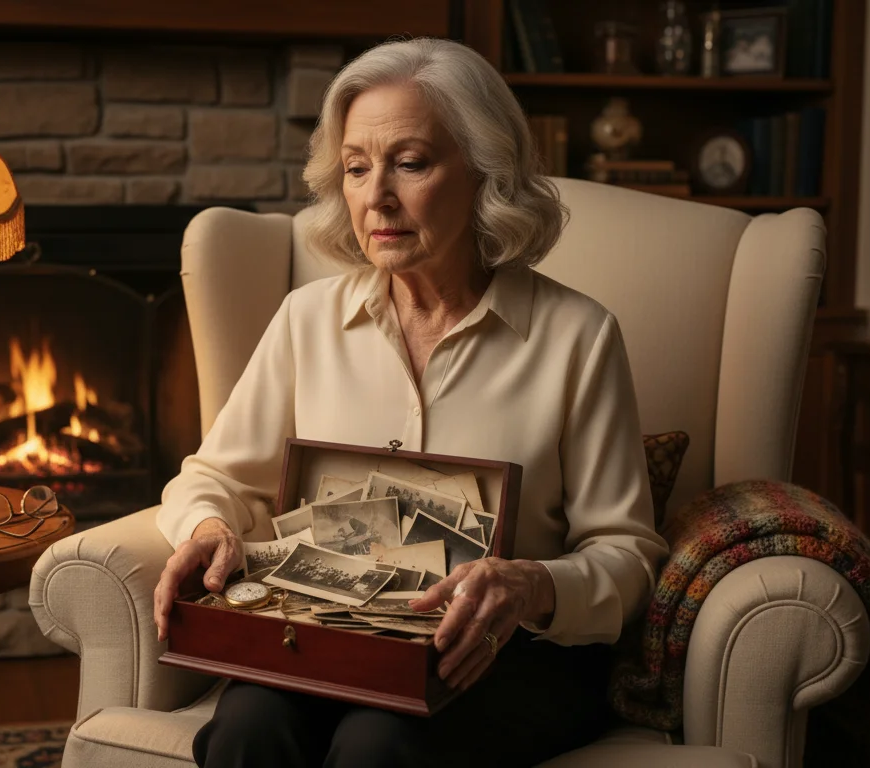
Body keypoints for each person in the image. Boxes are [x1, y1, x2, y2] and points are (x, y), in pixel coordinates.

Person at [151, 37, 669, 768]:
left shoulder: (579, 335)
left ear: (486, 172)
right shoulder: (307, 319)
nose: (375, 197)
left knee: (376, 744)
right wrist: (209, 526)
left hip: (508, 654)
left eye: (411, 163)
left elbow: (629, 556)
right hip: (330, 634)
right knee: (245, 730)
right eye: (357, 168)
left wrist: (530, 585)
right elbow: (215, 476)